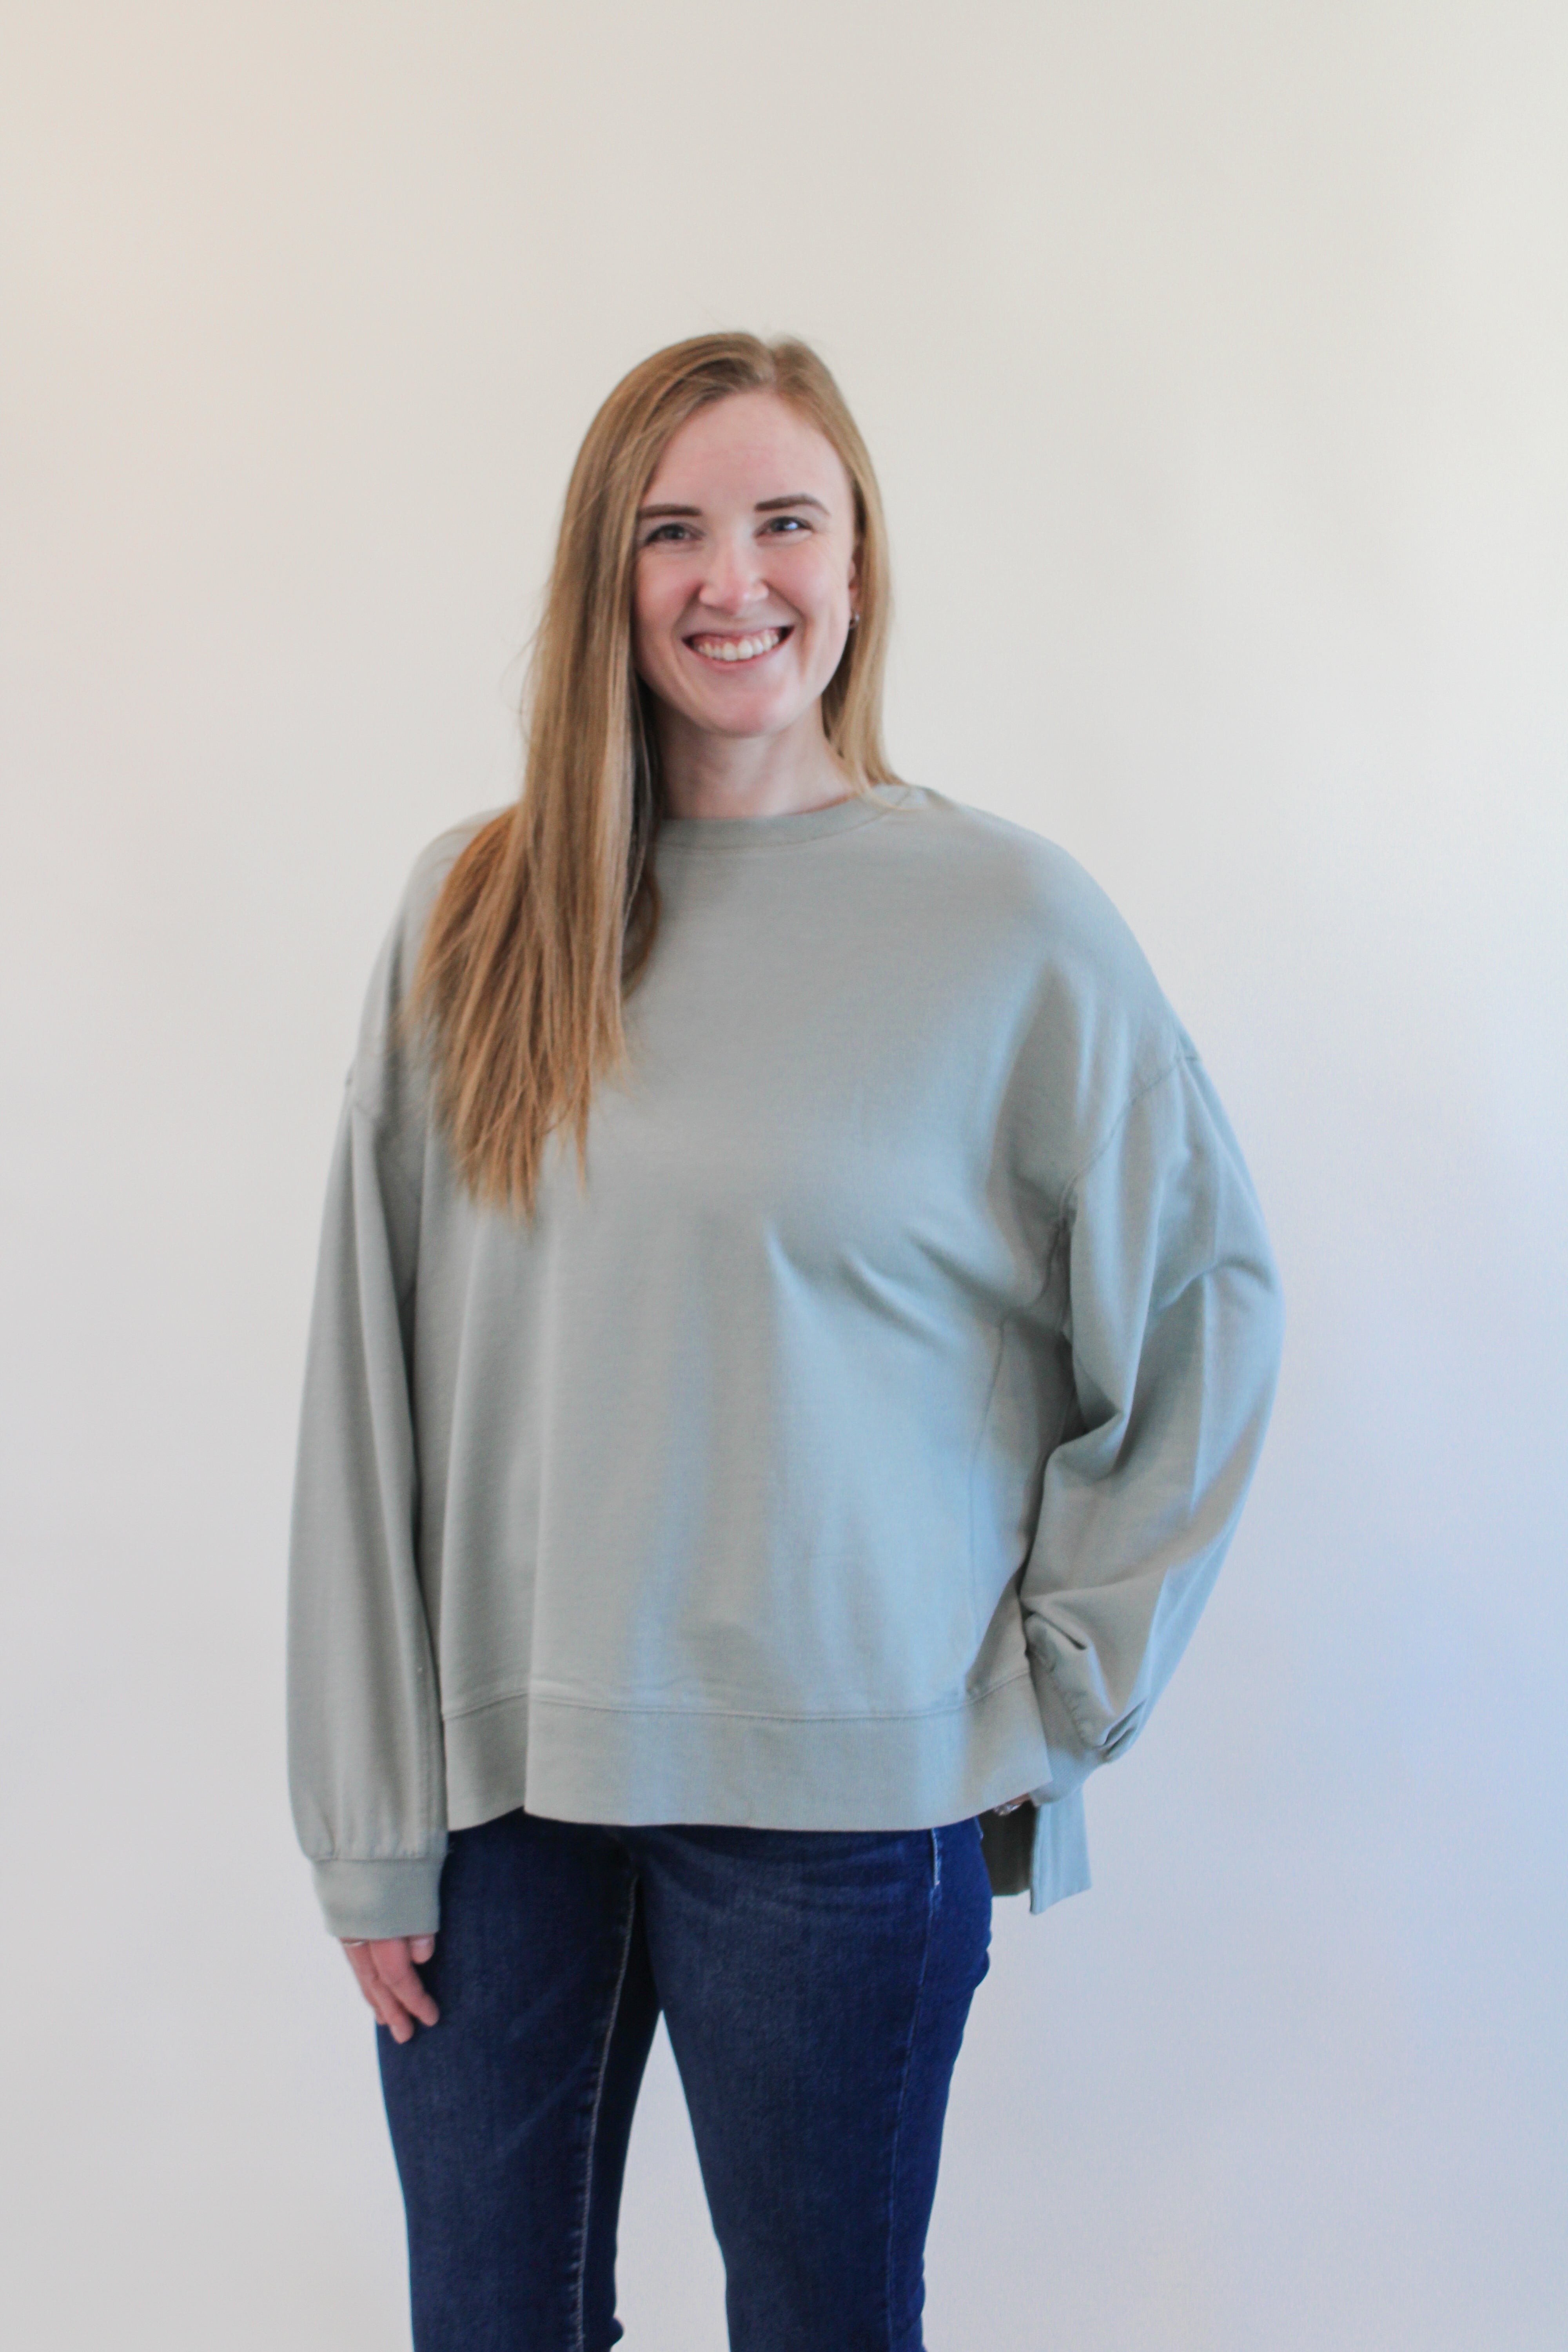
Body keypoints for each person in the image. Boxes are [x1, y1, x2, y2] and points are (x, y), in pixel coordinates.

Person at [287, 330, 1284, 2352]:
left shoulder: (1007, 924)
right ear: (608, 570)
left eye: (783, 524)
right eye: (673, 531)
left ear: (857, 563)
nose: (731, 580)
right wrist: (368, 1815)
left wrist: (1061, 1685)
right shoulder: (475, 911)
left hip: (845, 1807)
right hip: (500, 1805)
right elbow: (366, 1387)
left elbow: (1206, 1315)